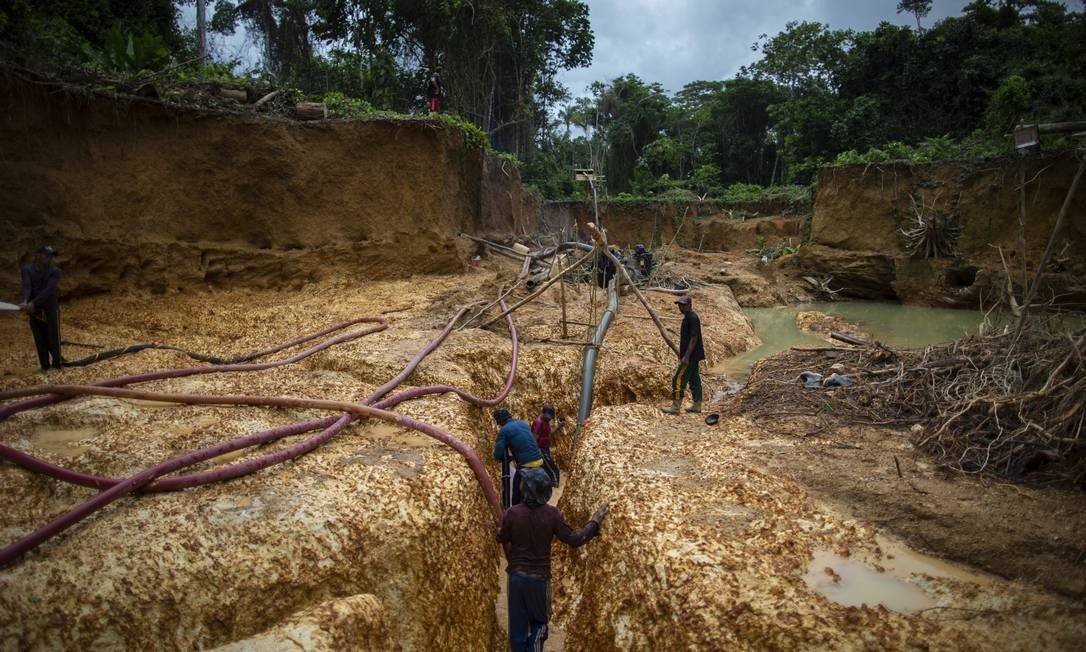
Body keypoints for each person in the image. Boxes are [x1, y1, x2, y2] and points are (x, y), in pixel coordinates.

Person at [497, 468, 608, 652]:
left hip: (515, 578)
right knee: (540, 624)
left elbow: (501, 537)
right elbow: (575, 540)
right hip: (539, 580)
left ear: (528, 490)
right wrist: (594, 523)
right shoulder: (552, 515)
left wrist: (498, 532)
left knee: (517, 629)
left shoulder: (512, 513)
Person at [20, 245, 62, 372]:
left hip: (50, 308)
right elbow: (27, 286)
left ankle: (57, 364)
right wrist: (26, 301)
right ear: (37, 255)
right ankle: (45, 366)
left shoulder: (55, 271)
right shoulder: (27, 269)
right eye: (46, 255)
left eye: (51, 256)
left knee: (53, 337)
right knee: (40, 338)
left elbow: (49, 290)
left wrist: (33, 303)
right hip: (34, 309)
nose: (49, 258)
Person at [492, 408, 546, 508]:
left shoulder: (504, 430)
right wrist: (513, 456)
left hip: (526, 465)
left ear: (499, 421)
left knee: (516, 493)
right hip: (539, 461)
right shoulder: (523, 424)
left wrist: (503, 457)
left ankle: (516, 513)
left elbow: (497, 454)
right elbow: (526, 444)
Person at [662, 294, 705, 414]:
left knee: (677, 378)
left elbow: (694, 338)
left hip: (690, 356)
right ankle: (697, 405)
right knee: (694, 378)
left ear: (690, 305)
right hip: (693, 355)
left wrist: (686, 356)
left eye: (683, 305)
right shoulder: (687, 317)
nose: (680, 307)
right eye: (679, 305)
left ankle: (675, 407)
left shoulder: (693, 318)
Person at [530, 405, 563, 486]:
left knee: (549, 467)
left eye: (551, 417)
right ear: (543, 413)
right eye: (548, 417)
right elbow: (534, 437)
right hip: (540, 449)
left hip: (545, 448)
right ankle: (554, 483)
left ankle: (550, 483)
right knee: (552, 468)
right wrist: (537, 451)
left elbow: (549, 433)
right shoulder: (538, 422)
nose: (549, 419)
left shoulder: (546, 421)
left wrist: (558, 426)